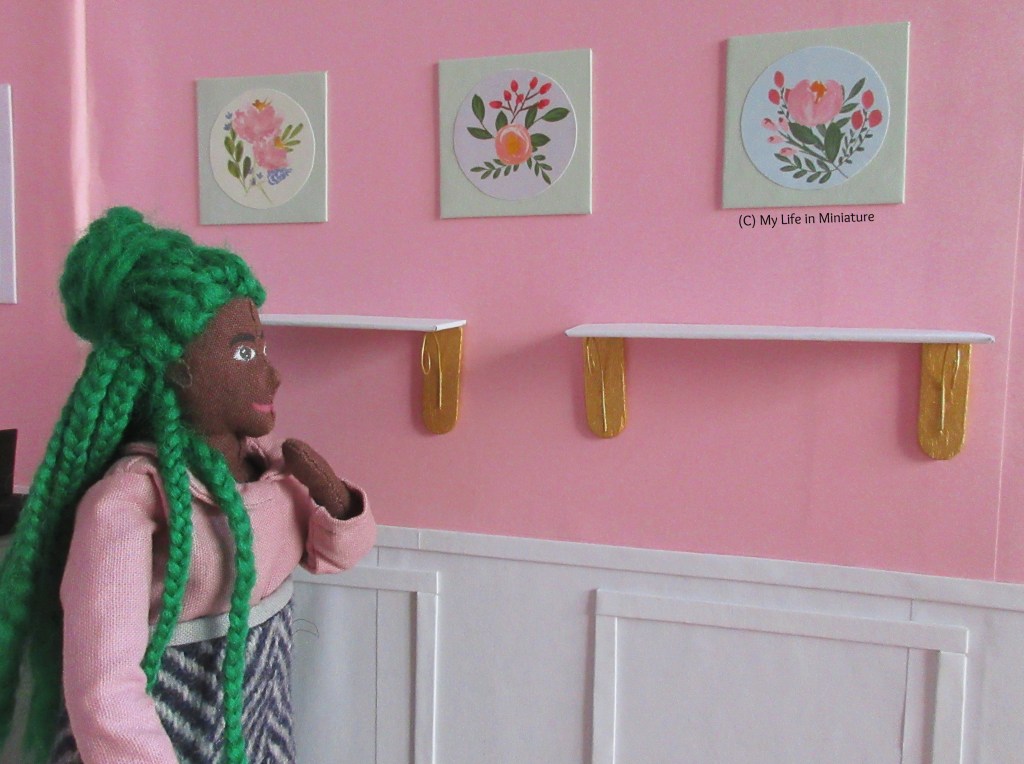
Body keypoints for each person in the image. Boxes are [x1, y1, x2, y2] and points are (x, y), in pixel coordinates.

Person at [0, 207, 376, 763]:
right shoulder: (128, 505)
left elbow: (333, 554)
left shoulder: (267, 474)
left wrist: (338, 502)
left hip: (258, 724)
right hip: (154, 741)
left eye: (262, 348)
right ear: (174, 368)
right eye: (244, 352)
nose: (270, 374)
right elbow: (102, 691)